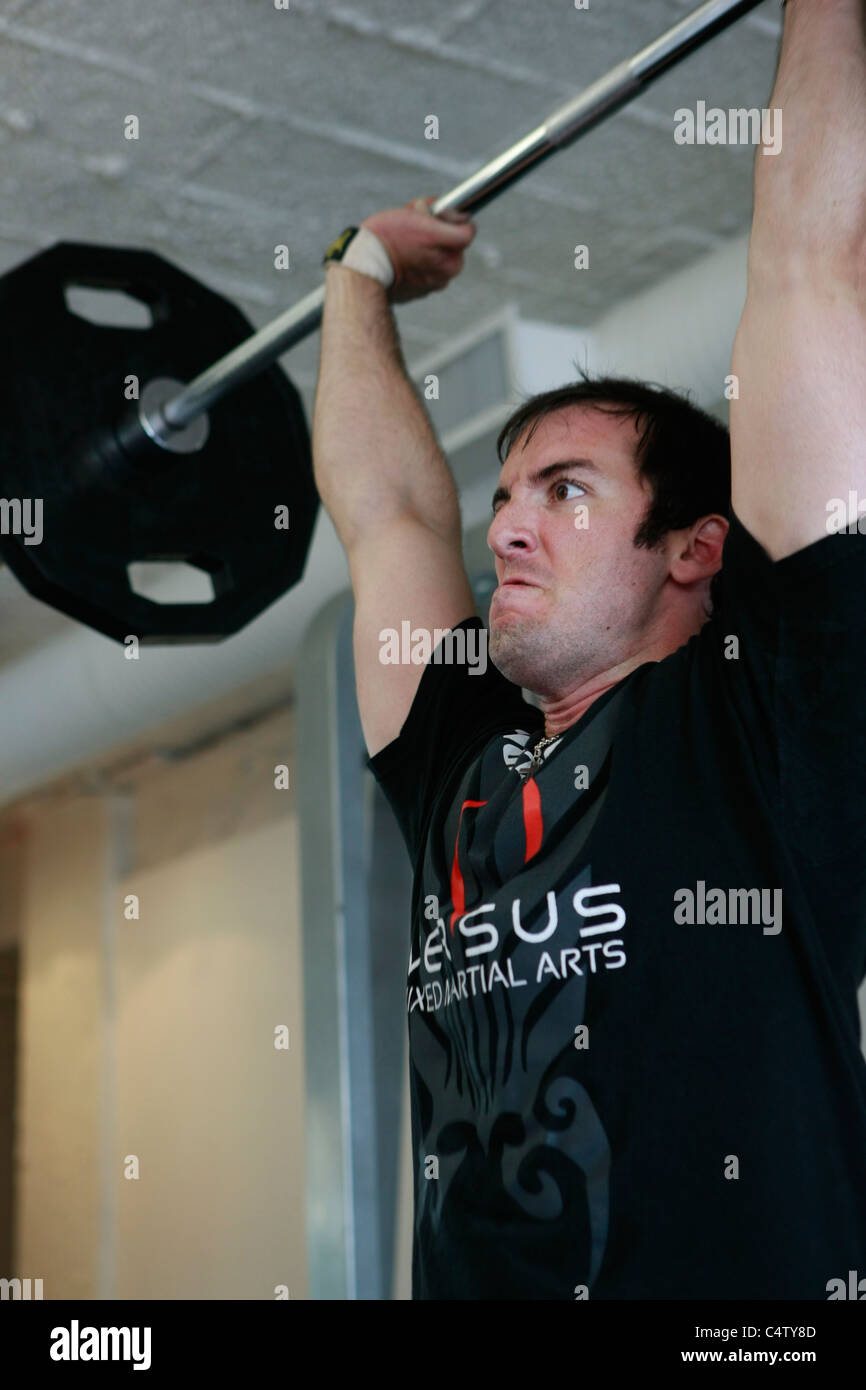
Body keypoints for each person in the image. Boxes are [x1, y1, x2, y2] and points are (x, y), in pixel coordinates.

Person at [312, 0, 866, 1300]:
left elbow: (809, 267)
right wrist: (355, 275)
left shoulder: (766, 718)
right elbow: (387, 511)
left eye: (562, 492)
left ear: (694, 548)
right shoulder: (461, 757)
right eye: (502, 497)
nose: (503, 528)